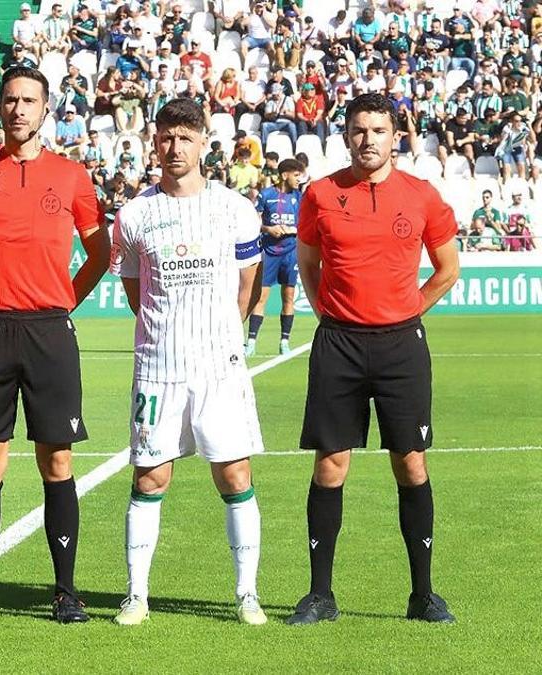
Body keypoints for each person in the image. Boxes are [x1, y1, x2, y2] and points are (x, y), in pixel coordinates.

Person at [288, 93, 460, 626]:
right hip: (338, 344)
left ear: (395, 136)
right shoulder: (320, 193)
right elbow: (308, 263)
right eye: (359, 131)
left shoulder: (423, 196)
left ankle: (423, 595)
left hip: (400, 345)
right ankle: (320, 595)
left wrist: (409, 308)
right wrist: (325, 313)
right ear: (346, 137)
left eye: (379, 130)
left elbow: (448, 269)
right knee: (331, 464)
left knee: (410, 463)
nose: (369, 140)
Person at [0, 66, 108, 625]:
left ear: (46, 108)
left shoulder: (71, 176)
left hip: (49, 332)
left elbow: (100, 254)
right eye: (10, 100)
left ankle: (66, 591)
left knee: (56, 458)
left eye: (29, 101)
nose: (19, 109)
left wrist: (63, 302)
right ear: (0, 108)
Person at [109, 97, 268, 627]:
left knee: (234, 473)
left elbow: (248, 283)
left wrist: (222, 333)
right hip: (158, 367)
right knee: (150, 478)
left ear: (204, 143)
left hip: (218, 368)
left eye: (184, 137)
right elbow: (136, 291)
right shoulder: (134, 215)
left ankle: (247, 594)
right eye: (165, 137)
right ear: (155, 142)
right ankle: (137, 594)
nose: (174, 147)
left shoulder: (235, 209)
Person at [246, 158, 302, 357]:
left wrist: (291, 229)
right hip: (269, 252)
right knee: (261, 298)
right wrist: (269, 228)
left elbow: (305, 225)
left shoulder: (299, 197)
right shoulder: (266, 195)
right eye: (296, 175)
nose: (299, 179)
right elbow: (252, 221)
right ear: (285, 175)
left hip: (290, 253)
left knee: (288, 297)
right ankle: (251, 342)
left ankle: (284, 341)